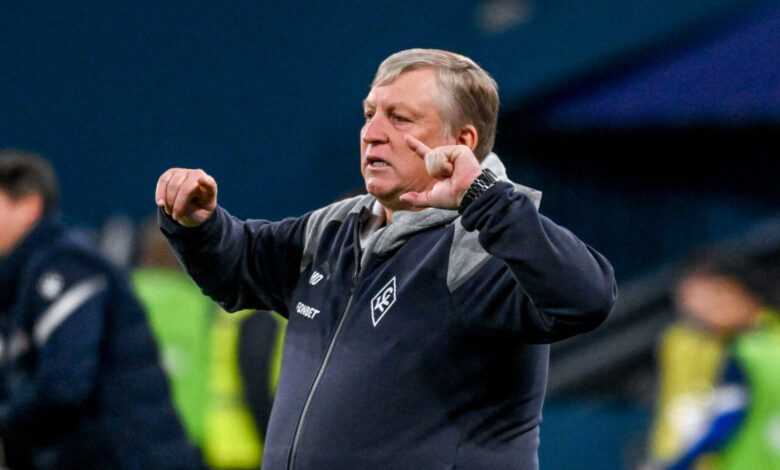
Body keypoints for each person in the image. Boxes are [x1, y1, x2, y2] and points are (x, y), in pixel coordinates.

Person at [155, 48, 618, 470]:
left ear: (461, 141)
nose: (372, 134)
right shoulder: (337, 228)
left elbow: (588, 297)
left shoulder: (482, 243)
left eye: (400, 119)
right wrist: (200, 224)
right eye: (369, 114)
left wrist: (484, 198)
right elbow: (242, 265)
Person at [0, 150, 203, 469]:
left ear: (29, 205)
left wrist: (7, 420)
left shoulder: (65, 267)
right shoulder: (23, 280)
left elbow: (64, 385)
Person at [658, 252, 780, 470]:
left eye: (710, 298)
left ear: (735, 290)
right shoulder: (685, 343)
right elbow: (676, 413)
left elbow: (723, 422)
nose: (700, 313)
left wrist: (673, 466)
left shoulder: (746, 354)